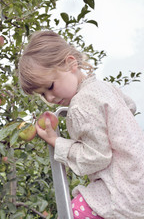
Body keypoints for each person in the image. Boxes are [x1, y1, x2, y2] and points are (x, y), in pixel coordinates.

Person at [18, 30, 144, 219]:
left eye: (50, 86)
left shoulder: (81, 105)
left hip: (123, 194)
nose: (50, 97)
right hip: (137, 181)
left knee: (74, 212)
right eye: (43, 94)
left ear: (71, 63)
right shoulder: (104, 88)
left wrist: (57, 142)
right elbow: (130, 106)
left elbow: (96, 157)